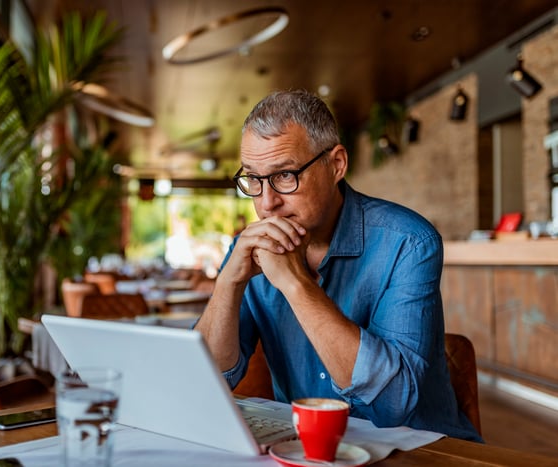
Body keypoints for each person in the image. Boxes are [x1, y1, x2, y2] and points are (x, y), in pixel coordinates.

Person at [194, 90, 482, 442]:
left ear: (336, 165)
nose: (267, 203)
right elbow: (204, 384)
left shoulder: (408, 242)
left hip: (418, 452)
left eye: (285, 175)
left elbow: (392, 406)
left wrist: (296, 284)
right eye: (253, 179)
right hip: (309, 450)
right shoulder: (250, 250)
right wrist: (228, 282)